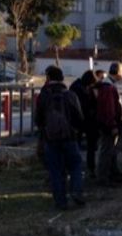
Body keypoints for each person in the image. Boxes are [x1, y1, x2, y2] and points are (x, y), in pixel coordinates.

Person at [35, 65, 85, 210]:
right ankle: (76, 191)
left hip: (50, 139)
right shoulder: (70, 95)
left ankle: (60, 201)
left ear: (48, 78)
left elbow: (38, 119)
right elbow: (79, 118)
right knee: (75, 165)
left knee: (55, 170)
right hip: (69, 137)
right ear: (62, 78)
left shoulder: (43, 96)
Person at [95, 62, 122, 186]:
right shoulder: (108, 87)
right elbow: (109, 109)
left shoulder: (108, 85)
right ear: (118, 73)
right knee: (106, 151)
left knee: (110, 150)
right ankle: (103, 177)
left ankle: (112, 173)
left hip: (108, 124)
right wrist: (112, 125)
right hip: (108, 125)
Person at [69, 70, 99, 177]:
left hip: (80, 121)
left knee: (77, 145)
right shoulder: (82, 89)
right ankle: (88, 168)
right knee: (88, 146)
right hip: (85, 120)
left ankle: (77, 169)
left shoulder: (75, 87)